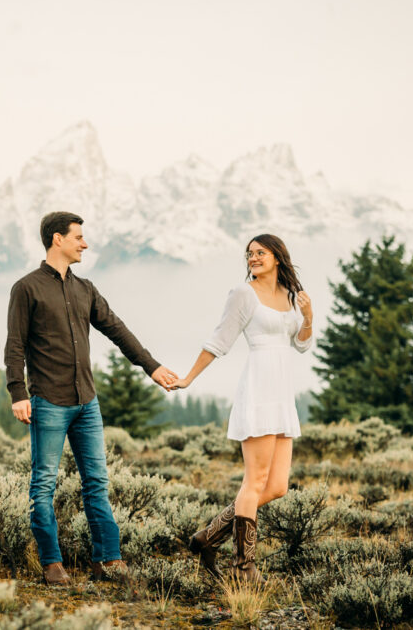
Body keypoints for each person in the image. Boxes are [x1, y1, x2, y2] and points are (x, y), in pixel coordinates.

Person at [4, 211, 179, 585]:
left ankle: (108, 560)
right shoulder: (27, 288)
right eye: (78, 237)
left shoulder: (86, 289)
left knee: (97, 482)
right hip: (47, 402)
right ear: (57, 240)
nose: (85, 243)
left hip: (87, 404)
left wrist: (151, 366)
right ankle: (52, 563)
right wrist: (18, 393)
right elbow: (15, 345)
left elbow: (117, 329)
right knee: (44, 485)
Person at [172, 233, 314, 583]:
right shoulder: (242, 293)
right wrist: (189, 378)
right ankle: (243, 568)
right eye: (249, 253)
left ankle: (208, 538)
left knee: (278, 486)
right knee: (254, 481)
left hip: (282, 393)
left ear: (277, 257)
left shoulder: (291, 295)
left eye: (260, 253)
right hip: (259, 387)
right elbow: (219, 340)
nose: (253, 258)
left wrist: (308, 315)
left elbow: (302, 345)